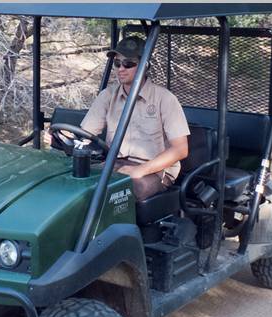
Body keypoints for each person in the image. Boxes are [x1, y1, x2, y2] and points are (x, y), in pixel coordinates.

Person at [79, 36, 190, 201]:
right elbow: (85, 134)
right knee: (79, 184)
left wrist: (141, 170)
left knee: (121, 192)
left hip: (154, 170)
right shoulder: (108, 95)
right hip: (115, 164)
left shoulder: (164, 99)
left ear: (144, 66)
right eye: (117, 63)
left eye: (128, 64)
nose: (121, 69)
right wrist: (61, 137)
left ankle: (121, 227)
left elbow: (180, 150)